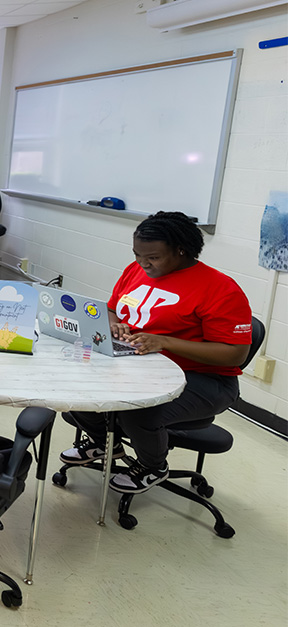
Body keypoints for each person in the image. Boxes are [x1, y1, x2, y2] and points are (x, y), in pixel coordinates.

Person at [60, 211, 252, 494]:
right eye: (137, 254)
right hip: (140, 364)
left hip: (204, 380)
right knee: (74, 385)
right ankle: (104, 444)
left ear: (181, 250)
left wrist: (165, 342)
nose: (143, 263)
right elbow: (112, 308)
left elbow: (234, 355)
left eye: (153, 258)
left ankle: (153, 466)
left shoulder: (220, 289)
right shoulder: (136, 270)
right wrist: (115, 326)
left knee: (139, 412)